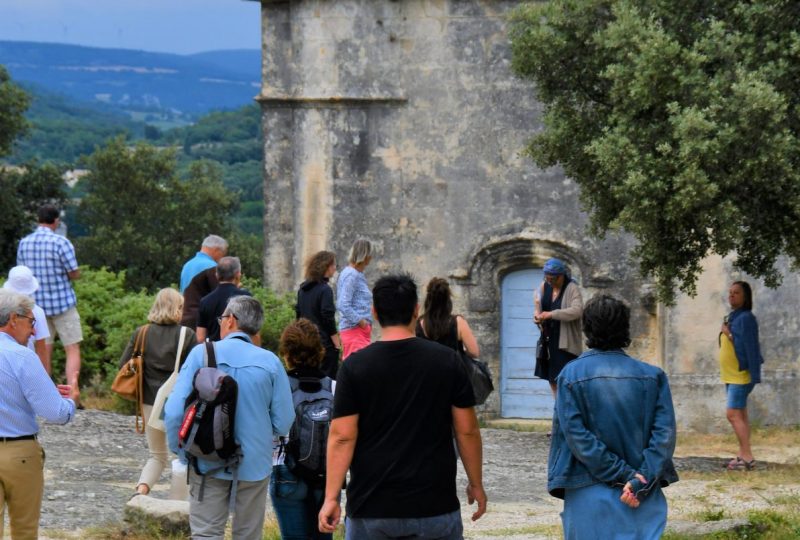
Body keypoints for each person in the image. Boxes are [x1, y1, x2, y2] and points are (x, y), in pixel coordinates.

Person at [319, 274, 487, 539]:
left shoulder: (354, 366)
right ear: (415, 310)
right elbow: (467, 431)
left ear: (374, 312)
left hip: (371, 507)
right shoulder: (447, 362)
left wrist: (331, 498)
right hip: (434, 506)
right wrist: (475, 483)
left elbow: (341, 436)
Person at [548, 295, 678, 540]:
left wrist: (623, 474)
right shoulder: (653, 376)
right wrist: (640, 479)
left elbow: (578, 438)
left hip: (589, 491)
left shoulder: (570, 376)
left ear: (586, 328)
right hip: (641, 494)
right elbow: (664, 437)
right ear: (625, 328)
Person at [165, 296, 295, 540]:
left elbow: (173, 412)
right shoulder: (270, 362)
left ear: (231, 321)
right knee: (247, 535)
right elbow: (284, 422)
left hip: (207, 460)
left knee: (206, 534)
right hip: (253, 464)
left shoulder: (201, 354)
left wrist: (182, 452)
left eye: (222, 318)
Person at [0, 289, 75, 539]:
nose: (33, 331)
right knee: (24, 531)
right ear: (13, 319)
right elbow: (55, 413)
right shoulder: (22, 356)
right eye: (31, 322)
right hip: (18, 454)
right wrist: (70, 402)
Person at [120, 288, 196, 496]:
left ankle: (141, 491)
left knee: (156, 455)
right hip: (176, 403)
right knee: (180, 455)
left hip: (148, 402)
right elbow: (195, 371)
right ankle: (178, 503)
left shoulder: (141, 333)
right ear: (176, 308)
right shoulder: (186, 335)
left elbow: (123, 364)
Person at [270, 319, 333, 540]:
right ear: (319, 349)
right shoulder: (333, 387)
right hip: (324, 475)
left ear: (287, 352)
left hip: (286, 472)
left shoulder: (279, 386)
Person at [16, 204, 83, 404]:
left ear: (38, 220)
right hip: (63, 304)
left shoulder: (24, 243)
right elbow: (74, 272)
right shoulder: (62, 242)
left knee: (43, 349)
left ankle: (43, 394)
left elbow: (22, 273)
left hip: (35, 306)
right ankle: (72, 392)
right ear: (55, 221)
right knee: (71, 348)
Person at [719, 281, 763, 471]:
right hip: (731, 374)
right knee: (741, 415)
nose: (731, 296)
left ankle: (747, 458)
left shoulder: (745, 318)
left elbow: (747, 344)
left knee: (733, 414)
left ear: (745, 297)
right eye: (730, 292)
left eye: (736, 293)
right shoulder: (735, 316)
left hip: (740, 375)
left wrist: (728, 334)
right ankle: (744, 454)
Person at [533, 258, 583, 396]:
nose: (550, 282)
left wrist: (551, 314)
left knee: (565, 381)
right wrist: (537, 316)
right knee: (552, 380)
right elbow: (539, 308)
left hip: (565, 343)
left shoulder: (571, 288)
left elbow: (577, 311)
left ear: (561, 276)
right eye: (547, 278)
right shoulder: (544, 286)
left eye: (553, 279)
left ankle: (564, 410)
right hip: (548, 340)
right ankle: (558, 409)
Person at [296, 250, 341, 379]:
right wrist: (336, 342)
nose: (334, 268)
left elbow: (298, 317)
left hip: (306, 342)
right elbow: (327, 317)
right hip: (324, 344)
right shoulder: (325, 290)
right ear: (326, 266)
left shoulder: (302, 290)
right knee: (326, 382)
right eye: (333, 265)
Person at [416, 277, 480, 358]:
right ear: (448, 301)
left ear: (428, 301)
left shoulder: (418, 323)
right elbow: (474, 352)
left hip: (426, 369)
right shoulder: (458, 322)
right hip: (452, 369)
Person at [3, 265, 51, 371]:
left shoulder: (2, 307)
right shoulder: (37, 311)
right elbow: (41, 350)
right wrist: (45, 381)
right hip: (26, 367)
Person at [196, 256, 251, 343]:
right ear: (237, 274)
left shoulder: (205, 301)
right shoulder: (246, 298)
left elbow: (200, 337)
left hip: (215, 352)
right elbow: (254, 333)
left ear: (217, 275)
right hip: (241, 350)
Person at [335, 239, 373, 360]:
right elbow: (343, 304)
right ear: (365, 255)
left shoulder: (356, 274)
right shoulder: (352, 275)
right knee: (358, 370)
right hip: (354, 331)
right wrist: (360, 321)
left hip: (359, 331)